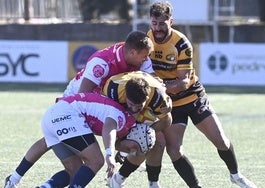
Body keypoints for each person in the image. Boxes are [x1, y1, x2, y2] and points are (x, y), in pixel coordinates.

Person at [109, 1, 257, 188]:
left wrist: (159, 85)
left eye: (162, 24)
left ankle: (236, 175)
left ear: (171, 21)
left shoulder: (181, 43)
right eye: (154, 23)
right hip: (169, 103)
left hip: (193, 98)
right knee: (173, 149)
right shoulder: (147, 40)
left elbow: (183, 82)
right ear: (150, 21)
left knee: (220, 140)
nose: (157, 28)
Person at [4, 30, 155, 188]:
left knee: (74, 170)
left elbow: (151, 84)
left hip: (81, 108)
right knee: (91, 158)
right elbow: (84, 94)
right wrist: (110, 151)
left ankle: (15, 179)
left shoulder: (140, 59)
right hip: (76, 102)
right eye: (144, 56)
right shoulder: (102, 62)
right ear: (132, 52)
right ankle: (15, 178)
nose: (146, 60)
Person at [37, 71, 172, 187]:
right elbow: (109, 125)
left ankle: (130, 167)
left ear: (147, 100)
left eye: (139, 106)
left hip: (59, 114)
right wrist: (110, 153)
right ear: (125, 97)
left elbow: (167, 119)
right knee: (96, 160)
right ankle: (121, 156)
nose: (134, 109)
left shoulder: (159, 98)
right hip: (72, 112)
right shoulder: (113, 89)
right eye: (131, 105)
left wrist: (145, 130)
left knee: (150, 139)